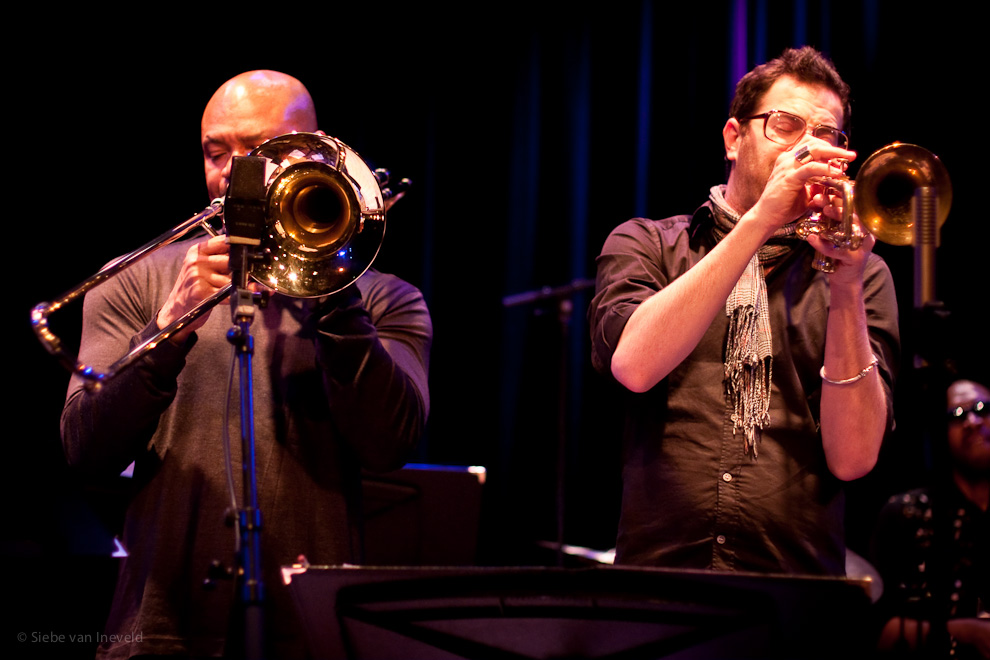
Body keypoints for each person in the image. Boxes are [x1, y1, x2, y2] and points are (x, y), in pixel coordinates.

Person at [61, 70, 432, 659]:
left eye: (259, 150)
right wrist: (168, 326)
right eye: (216, 152)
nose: (233, 171)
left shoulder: (387, 298)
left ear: (317, 154)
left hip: (312, 634)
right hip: (160, 628)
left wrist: (332, 287)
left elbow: (391, 442)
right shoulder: (137, 279)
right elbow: (87, 447)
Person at [589, 46, 899, 575]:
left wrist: (845, 286)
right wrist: (759, 221)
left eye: (827, 136)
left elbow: (854, 458)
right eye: (786, 125)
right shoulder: (647, 243)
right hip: (661, 577)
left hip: (797, 592)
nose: (809, 147)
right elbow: (634, 367)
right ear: (734, 139)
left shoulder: (864, 272)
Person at [873, 379, 990, 658]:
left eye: (982, 408)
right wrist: (967, 631)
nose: (972, 421)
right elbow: (874, 630)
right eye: (956, 415)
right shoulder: (905, 514)